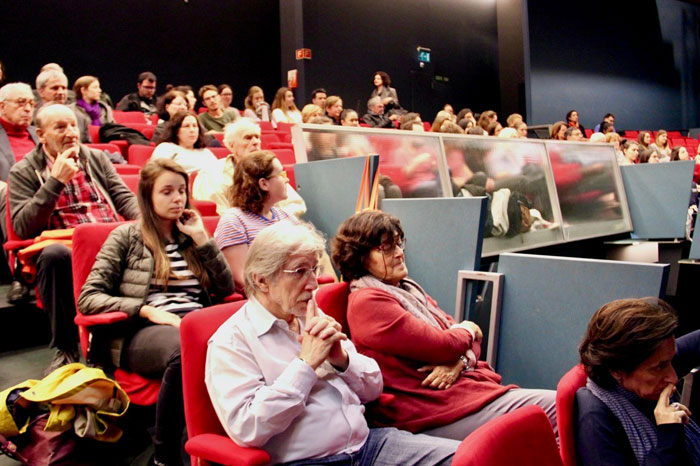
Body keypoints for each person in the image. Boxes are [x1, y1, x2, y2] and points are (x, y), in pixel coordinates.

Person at [206, 221, 459, 465]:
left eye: (314, 269)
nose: (313, 284)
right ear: (261, 280)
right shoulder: (231, 342)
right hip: (307, 461)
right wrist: (306, 365)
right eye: (300, 272)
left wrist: (342, 361)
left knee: (469, 458)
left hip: (368, 446)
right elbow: (248, 428)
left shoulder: (310, 314)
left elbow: (373, 388)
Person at [331, 211, 557, 440]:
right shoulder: (368, 302)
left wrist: (459, 362)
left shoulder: (407, 289)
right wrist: (469, 328)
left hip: (459, 394)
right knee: (556, 409)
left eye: (399, 243)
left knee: (554, 415)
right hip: (430, 409)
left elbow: (464, 343)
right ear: (360, 257)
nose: (399, 253)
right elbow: (446, 344)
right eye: (387, 247)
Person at [79, 158, 234, 466]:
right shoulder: (126, 237)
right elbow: (89, 298)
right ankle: (164, 456)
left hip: (193, 323)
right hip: (139, 333)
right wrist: (147, 311)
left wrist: (203, 239)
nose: (178, 199)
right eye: (167, 192)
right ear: (147, 196)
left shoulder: (190, 237)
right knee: (184, 350)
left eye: (182, 191)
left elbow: (225, 286)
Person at [8, 104, 139, 374]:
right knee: (52, 256)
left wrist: (146, 221)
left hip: (110, 239)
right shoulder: (24, 171)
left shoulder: (96, 158)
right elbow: (23, 226)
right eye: (60, 127)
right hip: (69, 248)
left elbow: (124, 198)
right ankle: (66, 348)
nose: (71, 133)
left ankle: (117, 344)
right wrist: (55, 182)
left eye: (73, 126)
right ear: (41, 135)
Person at [576, 298, 700, 466]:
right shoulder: (595, 422)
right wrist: (669, 435)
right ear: (617, 370)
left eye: (671, 361)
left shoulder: (651, 363)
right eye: (659, 367)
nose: (673, 378)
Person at [214, 150, 299, 292]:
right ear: (264, 184)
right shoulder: (233, 220)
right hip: (266, 296)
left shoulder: (286, 216)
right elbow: (242, 278)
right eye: (281, 175)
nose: (287, 180)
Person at [192, 118, 306, 216]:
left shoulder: (270, 169)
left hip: (275, 228)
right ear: (231, 145)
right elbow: (219, 212)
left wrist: (270, 218)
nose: (255, 142)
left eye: (257, 137)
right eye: (248, 138)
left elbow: (297, 204)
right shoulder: (212, 173)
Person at [152, 112, 217, 174]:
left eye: (195, 126)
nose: (192, 130)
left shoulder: (206, 152)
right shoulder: (166, 148)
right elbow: (155, 174)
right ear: (176, 131)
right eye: (186, 126)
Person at [0, 83, 39, 179]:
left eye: (31, 104)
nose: (28, 109)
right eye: (21, 103)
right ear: (2, 107)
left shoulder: (41, 134)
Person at [69, 75, 114, 142]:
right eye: (95, 87)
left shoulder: (105, 109)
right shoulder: (71, 110)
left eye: (99, 87)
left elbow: (112, 129)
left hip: (104, 143)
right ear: (83, 90)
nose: (100, 90)